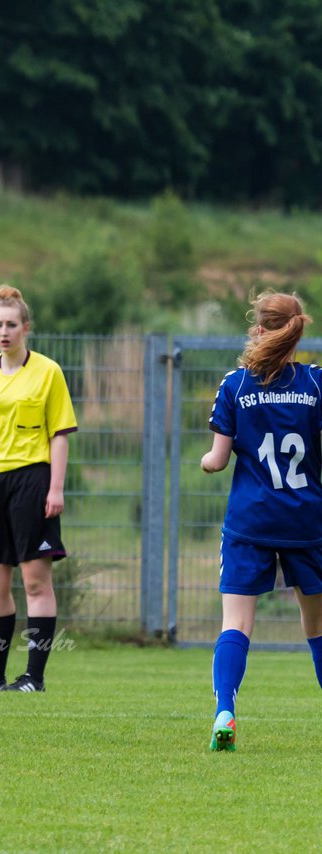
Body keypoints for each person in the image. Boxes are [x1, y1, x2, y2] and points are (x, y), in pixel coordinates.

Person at [200, 291, 322, 752]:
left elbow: (217, 459)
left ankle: (225, 711)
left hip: (250, 522)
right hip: (306, 522)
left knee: (236, 624)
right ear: (297, 331)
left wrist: (206, 462)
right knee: (317, 627)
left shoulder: (235, 385)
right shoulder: (315, 384)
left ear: (259, 329)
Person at [0, 285, 77, 693]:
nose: (4, 331)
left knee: (36, 582)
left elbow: (60, 434)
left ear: (26, 327)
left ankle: (33, 678)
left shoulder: (48, 371)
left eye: (11, 324)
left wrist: (55, 488)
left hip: (32, 480)